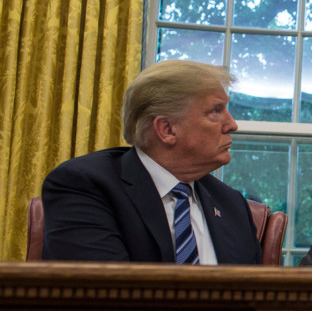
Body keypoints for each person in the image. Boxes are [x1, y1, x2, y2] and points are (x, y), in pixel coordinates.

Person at [41, 60, 262, 264]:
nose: (232, 124)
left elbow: (257, 298)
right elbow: (100, 294)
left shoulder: (232, 205)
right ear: (166, 129)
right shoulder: (85, 186)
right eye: (216, 111)